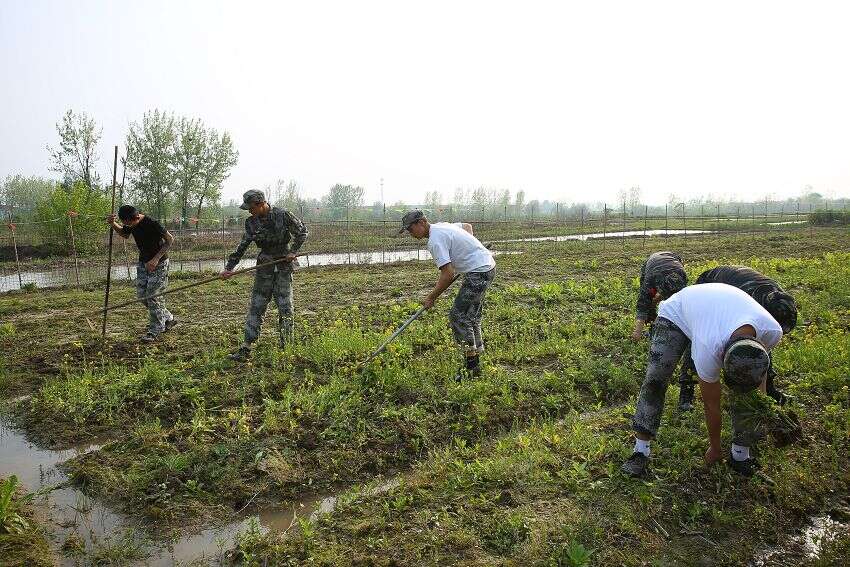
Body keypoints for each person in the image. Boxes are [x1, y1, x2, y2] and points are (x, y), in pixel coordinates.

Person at [621, 283, 784, 478]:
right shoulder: (709, 347)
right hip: (677, 313)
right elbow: (711, 404)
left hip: (718, 307)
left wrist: (756, 413)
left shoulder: (772, 331)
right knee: (656, 378)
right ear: (722, 355)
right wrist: (715, 448)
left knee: (747, 393)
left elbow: (759, 382)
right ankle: (640, 451)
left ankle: (740, 456)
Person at [680, 265, 798, 406]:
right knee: (700, 340)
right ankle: (686, 394)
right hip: (709, 286)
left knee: (756, 345)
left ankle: (769, 390)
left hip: (733, 284)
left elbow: (762, 348)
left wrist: (764, 392)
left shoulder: (780, 299)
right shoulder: (748, 300)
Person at [399, 210, 495, 380]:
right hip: (487, 266)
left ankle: (471, 367)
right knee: (471, 316)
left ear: (421, 223)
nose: (410, 233)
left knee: (458, 316)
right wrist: (470, 249)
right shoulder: (442, 226)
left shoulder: (435, 241)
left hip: (478, 272)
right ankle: (476, 358)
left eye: (410, 229)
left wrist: (431, 297)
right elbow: (467, 227)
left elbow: (447, 274)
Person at [221, 190, 308, 361]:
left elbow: (302, 232)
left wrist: (293, 251)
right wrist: (229, 267)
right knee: (257, 306)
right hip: (264, 267)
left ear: (261, 204)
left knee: (285, 307)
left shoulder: (283, 215)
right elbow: (243, 245)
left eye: (251, 207)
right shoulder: (251, 222)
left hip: (283, 265)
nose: (249, 211)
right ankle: (246, 347)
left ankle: (286, 347)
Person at [107, 205, 176, 342]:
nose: (128, 226)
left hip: (159, 263)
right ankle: (168, 318)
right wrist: (113, 223)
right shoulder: (130, 221)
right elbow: (124, 234)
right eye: (125, 223)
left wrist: (155, 259)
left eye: (130, 223)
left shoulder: (152, 223)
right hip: (143, 262)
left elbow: (170, 240)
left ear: (137, 217)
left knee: (152, 296)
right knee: (142, 296)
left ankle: (155, 330)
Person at [631, 251, 691, 409]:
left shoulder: (682, 277)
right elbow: (642, 304)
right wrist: (637, 332)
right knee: (647, 300)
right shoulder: (650, 280)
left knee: (671, 303)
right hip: (652, 263)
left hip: (673, 258)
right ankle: (652, 325)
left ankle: (661, 321)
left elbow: (679, 298)